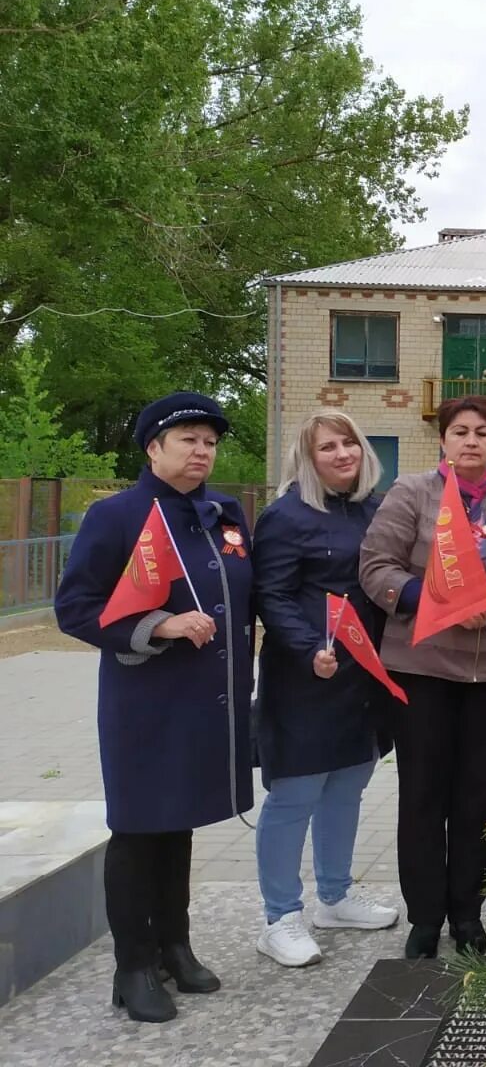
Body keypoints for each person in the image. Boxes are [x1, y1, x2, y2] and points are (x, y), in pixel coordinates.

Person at [54, 392, 252, 1023]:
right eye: (188, 439)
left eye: (210, 441)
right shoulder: (117, 517)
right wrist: (160, 626)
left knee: (179, 826)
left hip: (206, 703)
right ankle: (133, 965)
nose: (202, 451)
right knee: (139, 830)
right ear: (153, 448)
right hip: (146, 702)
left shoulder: (224, 514)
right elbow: (76, 608)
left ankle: (175, 944)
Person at [358, 396, 486, 960]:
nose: (471, 441)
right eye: (459, 431)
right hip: (422, 668)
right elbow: (376, 568)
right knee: (422, 793)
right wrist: (441, 602)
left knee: (476, 796)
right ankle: (424, 917)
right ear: (443, 440)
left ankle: (468, 912)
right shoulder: (411, 494)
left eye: (482, 432)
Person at [252, 410, 399, 969]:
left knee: (347, 787)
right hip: (307, 674)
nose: (342, 454)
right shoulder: (287, 515)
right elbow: (274, 593)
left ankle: (334, 898)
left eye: (349, 443)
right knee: (295, 795)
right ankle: (279, 916)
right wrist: (309, 646)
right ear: (307, 459)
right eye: (327, 448)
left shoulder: (373, 510)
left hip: (364, 676)